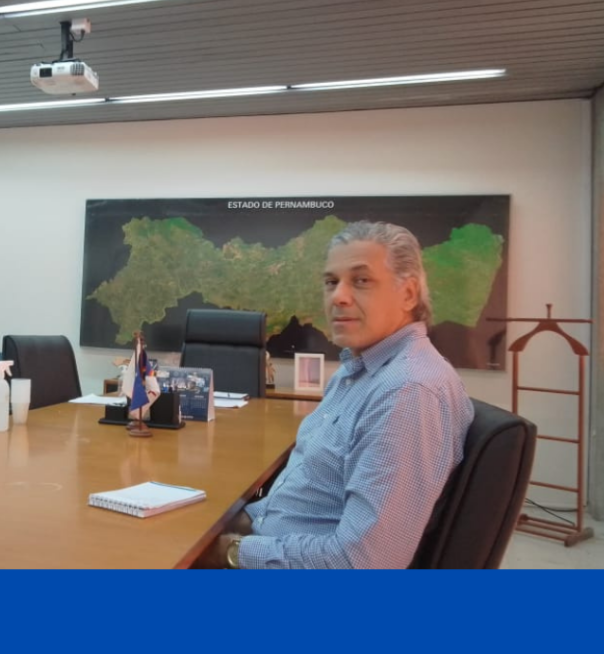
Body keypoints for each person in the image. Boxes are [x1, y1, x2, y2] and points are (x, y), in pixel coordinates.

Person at [197, 220, 473, 569]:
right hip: (273, 539)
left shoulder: (406, 392)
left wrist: (232, 552)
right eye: (331, 282)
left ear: (408, 294)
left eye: (361, 280)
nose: (338, 297)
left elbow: (364, 562)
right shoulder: (356, 371)